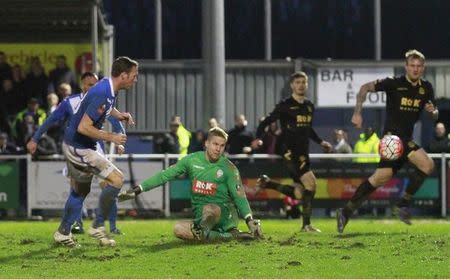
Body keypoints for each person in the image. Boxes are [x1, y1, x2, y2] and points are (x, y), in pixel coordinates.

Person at [337, 49, 438, 233]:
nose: (415, 69)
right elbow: (364, 88)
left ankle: (345, 211)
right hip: (392, 138)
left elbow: (434, 115)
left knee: (379, 178)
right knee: (427, 164)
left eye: (419, 66)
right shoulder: (394, 83)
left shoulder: (426, 88)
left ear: (423, 68)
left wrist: (433, 112)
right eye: (412, 65)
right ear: (406, 67)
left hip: (405, 139)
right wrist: (357, 112)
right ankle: (402, 204)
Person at [46, 57, 137, 247]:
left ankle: (63, 233)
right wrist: (112, 137)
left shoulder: (108, 86)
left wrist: (119, 115)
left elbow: (105, 107)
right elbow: (83, 127)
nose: (135, 80)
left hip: (77, 144)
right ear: (124, 75)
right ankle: (97, 225)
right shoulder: (104, 91)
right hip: (79, 146)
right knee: (117, 179)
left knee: (80, 191)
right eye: (134, 76)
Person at [118, 127, 263, 241]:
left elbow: (240, 196)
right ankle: (228, 236)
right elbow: (164, 176)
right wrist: (138, 189)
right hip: (202, 220)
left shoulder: (229, 168)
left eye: (222, 145)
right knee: (178, 229)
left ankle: (220, 232)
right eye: (215, 144)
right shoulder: (191, 160)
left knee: (211, 208)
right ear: (206, 143)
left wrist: (249, 219)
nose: (218, 149)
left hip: (225, 217)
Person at [26, 72, 125, 235]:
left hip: (97, 150)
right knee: (78, 189)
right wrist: (35, 139)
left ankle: (111, 227)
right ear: (82, 85)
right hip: (78, 150)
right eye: (88, 84)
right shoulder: (70, 102)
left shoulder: (102, 98)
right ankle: (75, 224)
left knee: (108, 185)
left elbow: (115, 121)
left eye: (95, 84)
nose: (92, 87)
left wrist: (121, 140)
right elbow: (51, 120)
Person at [253, 71, 332, 232]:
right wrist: (259, 137)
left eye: (304, 82)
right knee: (311, 183)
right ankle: (306, 225)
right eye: (298, 83)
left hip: (303, 152)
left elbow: (308, 129)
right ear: (292, 85)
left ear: (307, 85)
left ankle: (267, 183)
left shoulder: (309, 106)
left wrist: (321, 141)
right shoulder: (285, 105)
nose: (301, 85)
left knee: (298, 193)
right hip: (289, 151)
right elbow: (266, 122)